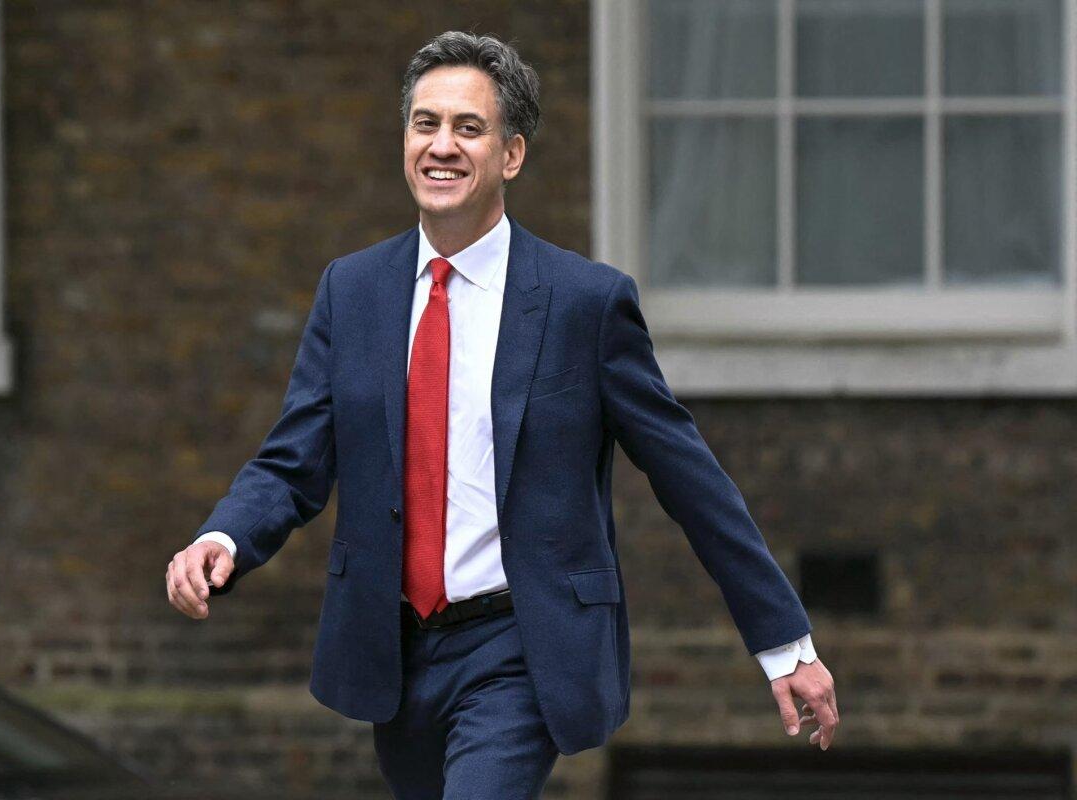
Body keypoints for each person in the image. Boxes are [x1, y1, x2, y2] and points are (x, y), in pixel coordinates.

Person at [166, 30, 839, 799]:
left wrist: (785, 643)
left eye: (468, 127)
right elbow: (294, 459)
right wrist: (222, 536)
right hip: (396, 650)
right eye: (425, 124)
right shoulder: (352, 292)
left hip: (520, 644)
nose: (441, 146)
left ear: (511, 155)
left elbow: (691, 479)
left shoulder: (586, 304)